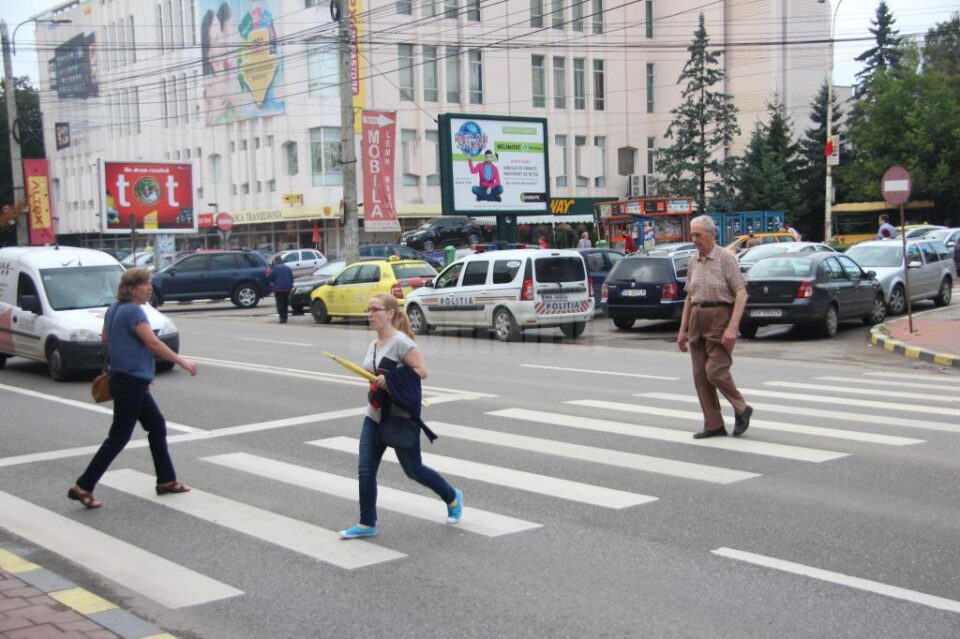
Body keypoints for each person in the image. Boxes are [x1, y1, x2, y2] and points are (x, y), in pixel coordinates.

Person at [68, 268, 198, 509]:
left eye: (149, 283)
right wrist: (182, 361)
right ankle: (83, 486)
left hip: (123, 379)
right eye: (143, 284)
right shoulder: (134, 311)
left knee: (156, 426)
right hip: (131, 382)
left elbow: (106, 339)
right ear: (130, 288)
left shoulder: (114, 309)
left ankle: (166, 480)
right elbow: (152, 342)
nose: (149, 287)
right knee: (118, 437)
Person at [339, 293, 462, 539]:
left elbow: (421, 371)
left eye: (374, 310)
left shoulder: (401, 342)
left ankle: (451, 496)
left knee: (413, 470)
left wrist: (391, 379)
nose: (369, 314)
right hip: (374, 415)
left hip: (398, 416)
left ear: (390, 313)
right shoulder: (374, 345)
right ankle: (367, 523)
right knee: (365, 470)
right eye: (368, 310)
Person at [676, 215, 753, 439]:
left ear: (711, 234)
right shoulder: (693, 261)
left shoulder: (725, 258)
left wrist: (732, 327)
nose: (694, 239)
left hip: (720, 316)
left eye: (698, 235)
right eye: (692, 235)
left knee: (715, 371)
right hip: (697, 317)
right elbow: (689, 297)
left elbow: (741, 293)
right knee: (700, 375)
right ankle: (713, 423)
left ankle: (741, 407)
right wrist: (682, 331)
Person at [268, 254, 294, 323]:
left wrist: (271, 284)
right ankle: (285, 317)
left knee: (279, 303)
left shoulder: (275, 268)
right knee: (285, 303)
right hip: (287, 289)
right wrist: (290, 287)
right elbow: (291, 278)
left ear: (276, 261)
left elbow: (271, 278)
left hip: (278, 289)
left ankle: (281, 317)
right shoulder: (288, 268)